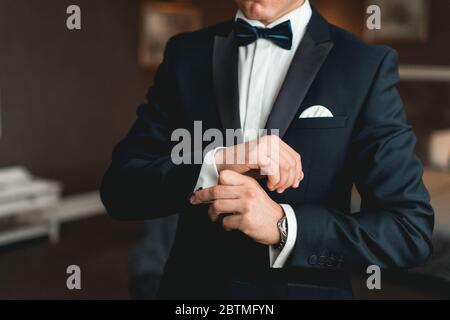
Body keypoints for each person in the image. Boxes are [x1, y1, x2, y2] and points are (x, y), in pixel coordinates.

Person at [101, 0, 434, 299]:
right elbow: (120, 188)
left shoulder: (364, 65)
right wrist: (214, 163)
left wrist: (283, 226)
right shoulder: (185, 53)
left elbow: (408, 230)